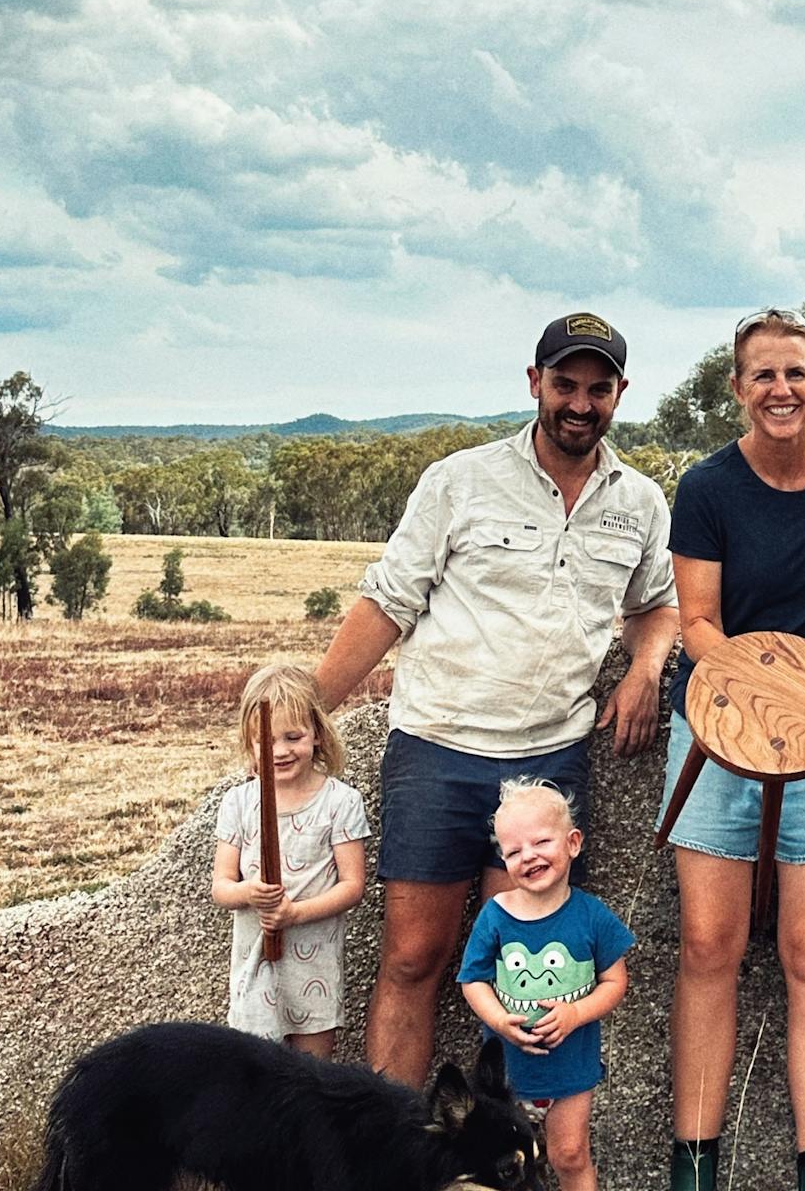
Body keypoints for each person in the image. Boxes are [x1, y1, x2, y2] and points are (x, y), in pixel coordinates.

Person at [313, 312, 679, 1085]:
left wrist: (646, 668)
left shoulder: (639, 501)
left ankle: (511, 1157)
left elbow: (656, 604)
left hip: (549, 761)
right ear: (534, 384)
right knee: (415, 958)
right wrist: (307, 708)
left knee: (528, 969)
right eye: (565, 385)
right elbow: (388, 603)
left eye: (598, 389)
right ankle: (397, 1154)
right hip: (439, 749)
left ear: (619, 394)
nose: (580, 403)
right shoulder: (459, 480)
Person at [660, 307, 805, 1191]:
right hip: (720, 731)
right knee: (710, 944)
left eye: (796, 373)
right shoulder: (706, 488)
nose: (780, 390)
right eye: (763, 376)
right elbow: (698, 624)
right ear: (737, 389)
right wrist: (771, 692)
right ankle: (696, 1167)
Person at [459, 778, 634, 1191]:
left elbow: (614, 981)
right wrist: (499, 1020)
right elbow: (473, 980)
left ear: (573, 843)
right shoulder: (496, 915)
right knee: (509, 1162)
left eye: (541, 842)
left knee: (569, 1154)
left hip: (570, 1064)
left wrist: (576, 1013)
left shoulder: (592, 916)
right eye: (514, 851)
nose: (529, 856)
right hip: (508, 1071)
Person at [210, 663, 370, 1057]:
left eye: (293, 737)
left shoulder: (340, 802)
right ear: (249, 745)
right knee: (257, 1075)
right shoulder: (240, 803)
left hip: (313, 966)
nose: (280, 751)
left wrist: (295, 914)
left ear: (317, 733)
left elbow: (353, 885)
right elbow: (220, 887)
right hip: (256, 966)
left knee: (311, 1077)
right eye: (266, 741)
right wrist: (250, 892)